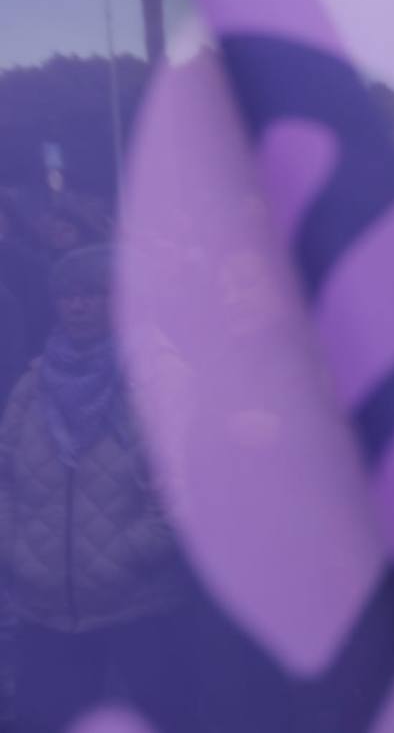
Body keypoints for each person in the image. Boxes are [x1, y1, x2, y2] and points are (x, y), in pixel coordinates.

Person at [0, 246, 195, 730]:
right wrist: (14, 544)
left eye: (92, 294)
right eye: (67, 295)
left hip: (139, 605)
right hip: (47, 605)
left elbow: (187, 485)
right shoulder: (35, 382)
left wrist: (128, 552)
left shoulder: (157, 375)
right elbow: (5, 473)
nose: (78, 305)